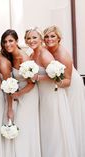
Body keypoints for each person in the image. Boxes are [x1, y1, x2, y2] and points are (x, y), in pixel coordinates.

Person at [25, 27, 77, 157]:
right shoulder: (32, 54)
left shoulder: (44, 54)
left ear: (40, 39)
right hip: (42, 95)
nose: (32, 41)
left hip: (52, 93)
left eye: (34, 37)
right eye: (29, 38)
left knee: (55, 128)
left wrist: (38, 77)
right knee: (47, 128)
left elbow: (57, 76)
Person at [44, 25, 85, 157]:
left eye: (52, 36)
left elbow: (67, 82)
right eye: (46, 36)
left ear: (59, 38)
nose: (49, 39)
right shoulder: (46, 49)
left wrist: (48, 79)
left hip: (72, 86)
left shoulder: (63, 54)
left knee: (71, 115)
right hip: (59, 83)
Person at [0, 29, 41, 157]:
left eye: (11, 41)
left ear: (16, 41)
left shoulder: (23, 58)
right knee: (19, 126)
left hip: (28, 95)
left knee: (25, 127)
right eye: (5, 42)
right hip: (19, 94)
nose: (8, 44)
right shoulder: (10, 56)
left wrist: (18, 94)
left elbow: (32, 83)